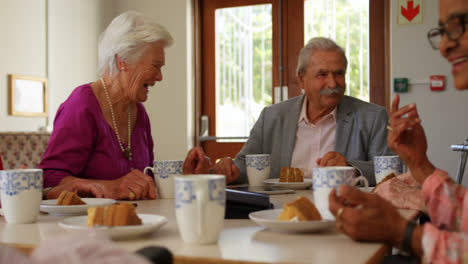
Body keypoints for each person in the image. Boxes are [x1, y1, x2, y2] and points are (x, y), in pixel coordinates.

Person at [328, 0, 468, 262]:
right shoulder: (273, 115)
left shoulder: (369, 114)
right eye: (442, 32)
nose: (444, 46)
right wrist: (419, 164)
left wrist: (401, 232)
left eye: (459, 26)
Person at [39, 11, 211, 200]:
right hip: (86, 225)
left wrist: (185, 178)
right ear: (123, 61)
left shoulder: (138, 112)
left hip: (132, 223)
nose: (160, 77)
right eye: (156, 66)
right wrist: (110, 187)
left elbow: (144, 184)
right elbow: (48, 180)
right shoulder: (82, 105)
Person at [214, 37, 392, 186]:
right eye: (322, 75)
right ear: (301, 79)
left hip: (344, 212)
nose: (332, 83)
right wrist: (229, 171)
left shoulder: (372, 117)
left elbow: (391, 173)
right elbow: (244, 167)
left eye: (339, 74)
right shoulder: (272, 117)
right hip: (279, 212)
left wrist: (351, 168)